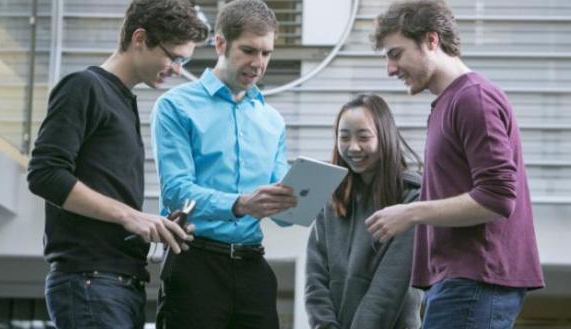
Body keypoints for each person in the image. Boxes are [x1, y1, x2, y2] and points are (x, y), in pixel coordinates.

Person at [26, 1, 208, 328]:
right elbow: (44, 174)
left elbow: (106, 193)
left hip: (118, 285)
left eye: (184, 60)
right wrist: (130, 216)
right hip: (91, 283)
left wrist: (157, 225)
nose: (178, 69)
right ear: (140, 39)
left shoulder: (124, 100)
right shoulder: (83, 86)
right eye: (174, 56)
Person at [365, 1, 545, 328]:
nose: (390, 69)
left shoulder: (473, 98)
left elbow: (497, 197)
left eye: (396, 54)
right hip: (462, 282)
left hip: (475, 280)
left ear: (431, 40)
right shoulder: (449, 104)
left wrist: (410, 212)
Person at [150, 0, 297, 328]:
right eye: (249, 50)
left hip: (253, 267)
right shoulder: (176, 106)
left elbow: (283, 214)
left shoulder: (272, 120)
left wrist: (303, 199)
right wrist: (242, 204)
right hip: (195, 264)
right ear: (220, 43)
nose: (258, 63)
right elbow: (176, 191)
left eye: (266, 53)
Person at [305, 94, 423, 329]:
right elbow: (315, 281)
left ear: (385, 137)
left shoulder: (412, 199)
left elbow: (389, 287)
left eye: (364, 137)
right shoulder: (331, 199)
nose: (353, 147)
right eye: (344, 137)